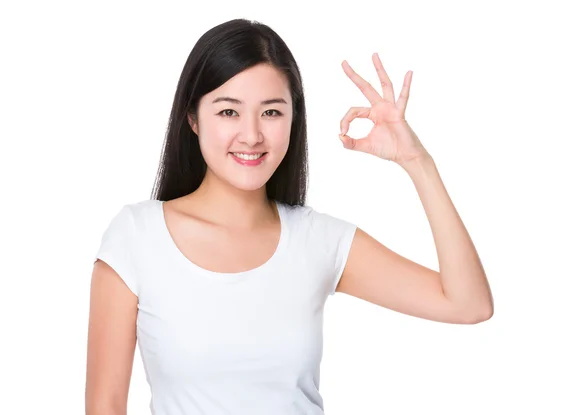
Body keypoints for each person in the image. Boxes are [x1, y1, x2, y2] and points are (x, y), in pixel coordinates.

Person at [85, 18, 494, 415]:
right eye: (229, 112)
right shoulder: (137, 237)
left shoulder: (318, 240)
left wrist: (417, 162)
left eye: (271, 112)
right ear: (193, 118)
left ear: (293, 119)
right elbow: (104, 407)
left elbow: (468, 304)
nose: (251, 135)